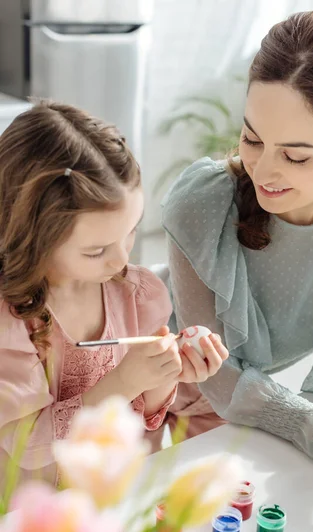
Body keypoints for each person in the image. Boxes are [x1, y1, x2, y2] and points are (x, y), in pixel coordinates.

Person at [162, 9, 313, 470]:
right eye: (252, 140)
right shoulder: (202, 207)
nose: (264, 171)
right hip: (176, 400)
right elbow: (217, 377)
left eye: (294, 156)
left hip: (265, 405)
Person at [0, 100, 229, 487]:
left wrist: (166, 370)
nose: (121, 260)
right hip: (40, 509)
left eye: (131, 232)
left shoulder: (134, 293)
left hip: (118, 489)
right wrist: (122, 382)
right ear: (32, 240)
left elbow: (146, 415)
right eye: (96, 250)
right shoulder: (12, 322)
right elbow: (24, 444)